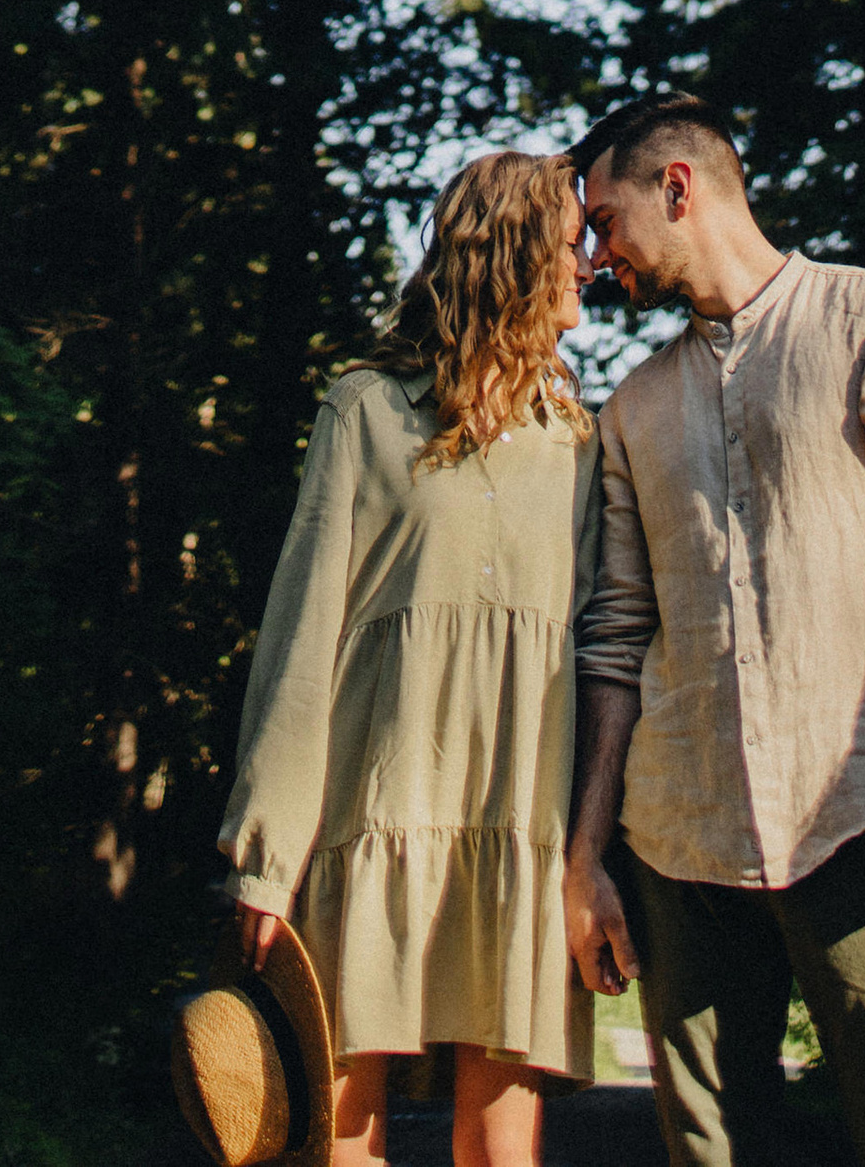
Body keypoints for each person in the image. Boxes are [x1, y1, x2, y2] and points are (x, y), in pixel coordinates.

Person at [562, 97, 865, 1167]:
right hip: (679, 846)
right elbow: (615, 640)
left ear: (678, 187)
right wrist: (586, 857)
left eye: (606, 221)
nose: (595, 256)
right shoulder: (632, 409)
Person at [220, 149, 602, 1167]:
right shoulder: (365, 409)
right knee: (342, 1143)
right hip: (369, 819)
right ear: (513, 251)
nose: (592, 265)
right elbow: (302, 634)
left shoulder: (578, 443)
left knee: (501, 1154)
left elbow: (603, 649)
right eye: (573, 244)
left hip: (519, 826)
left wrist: (595, 859)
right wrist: (267, 857)